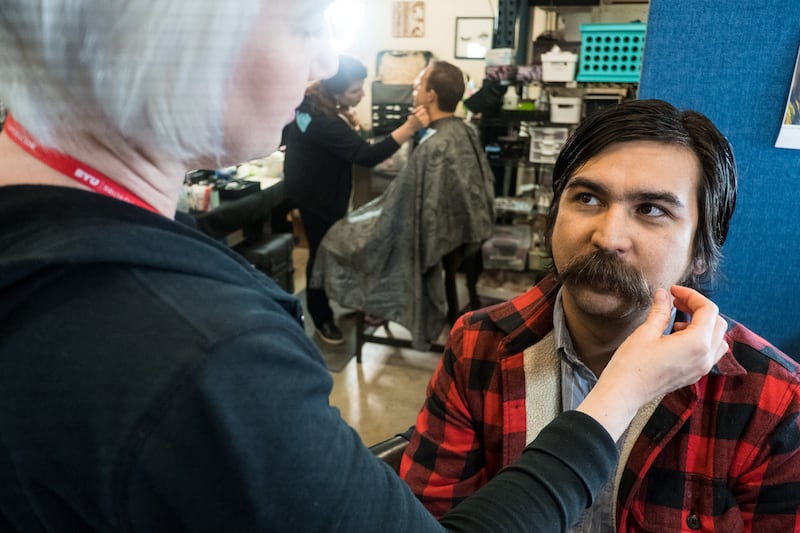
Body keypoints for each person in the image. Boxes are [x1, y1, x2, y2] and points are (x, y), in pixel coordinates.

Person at [0, 2, 726, 530]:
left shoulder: (771, 400)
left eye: (654, 210)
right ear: (179, 28)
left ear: (704, 242)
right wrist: (620, 394)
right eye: (308, 24)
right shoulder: (207, 357)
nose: (321, 64)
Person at [400, 99, 800, 530]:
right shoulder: (478, 345)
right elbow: (427, 518)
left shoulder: (771, 398)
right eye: (587, 198)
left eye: (651, 210)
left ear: (700, 253)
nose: (608, 237)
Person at [312, 61, 495, 350]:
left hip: (430, 239)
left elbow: (403, 205)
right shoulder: (464, 130)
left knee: (335, 238)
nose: (413, 89)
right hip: (461, 233)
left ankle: (357, 303)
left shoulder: (434, 146)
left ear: (431, 96)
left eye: (418, 84)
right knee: (355, 222)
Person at [283, 54, 428, 345]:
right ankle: (321, 315)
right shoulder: (323, 120)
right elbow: (366, 155)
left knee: (330, 249)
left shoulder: (311, 104)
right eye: (354, 91)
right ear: (335, 91)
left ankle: (339, 297)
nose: (362, 94)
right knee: (322, 252)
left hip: (309, 187)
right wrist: (409, 128)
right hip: (316, 196)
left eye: (361, 87)